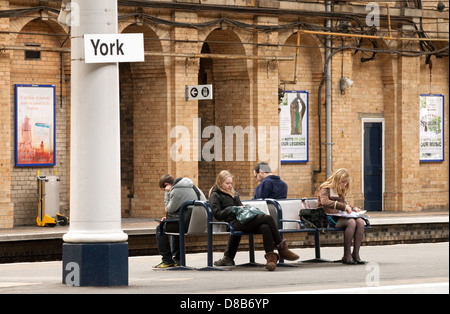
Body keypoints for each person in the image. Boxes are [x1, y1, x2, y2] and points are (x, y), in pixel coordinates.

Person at [209, 170, 299, 271]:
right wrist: (231, 209)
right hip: (234, 223)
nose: (230, 186)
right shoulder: (215, 195)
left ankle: (271, 260)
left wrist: (243, 207)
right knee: (268, 218)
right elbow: (217, 213)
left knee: (265, 227)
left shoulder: (234, 193)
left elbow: (239, 207)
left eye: (231, 183)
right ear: (220, 182)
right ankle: (281, 248)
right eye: (227, 183)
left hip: (243, 219)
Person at [154, 174, 206, 268]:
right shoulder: (193, 186)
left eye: (164, 189)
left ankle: (167, 260)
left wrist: (167, 193)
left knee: (160, 228)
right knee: (174, 226)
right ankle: (178, 259)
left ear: (166, 184)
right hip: (200, 223)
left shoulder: (176, 190)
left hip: (188, 224)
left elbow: (168, 208)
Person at [317, 168, 366, 265]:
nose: (344, 185)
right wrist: (344, 207)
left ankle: (356, 254)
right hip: (328, 218)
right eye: (342, 182)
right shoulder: (325, 188)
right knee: (351, 222)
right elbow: (324, 201)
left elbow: (343, 204)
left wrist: (353, 208)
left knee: (360, 222)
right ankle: (347, 255)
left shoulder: (340, 190)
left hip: (339, 216)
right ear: (337, 179)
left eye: (346, 183)